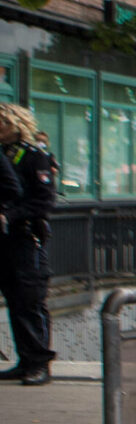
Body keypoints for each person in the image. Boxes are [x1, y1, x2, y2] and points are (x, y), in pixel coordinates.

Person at [0, 106, 56, 384]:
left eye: (3, 122)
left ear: (17, 124)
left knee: (30, 299)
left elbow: (44, 201)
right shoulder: (4, 153)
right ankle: (25, 361)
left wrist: (10, 214)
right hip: (5, 240)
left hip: (27, 238)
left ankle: (40, 364)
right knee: (15, 300)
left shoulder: (36, 157)